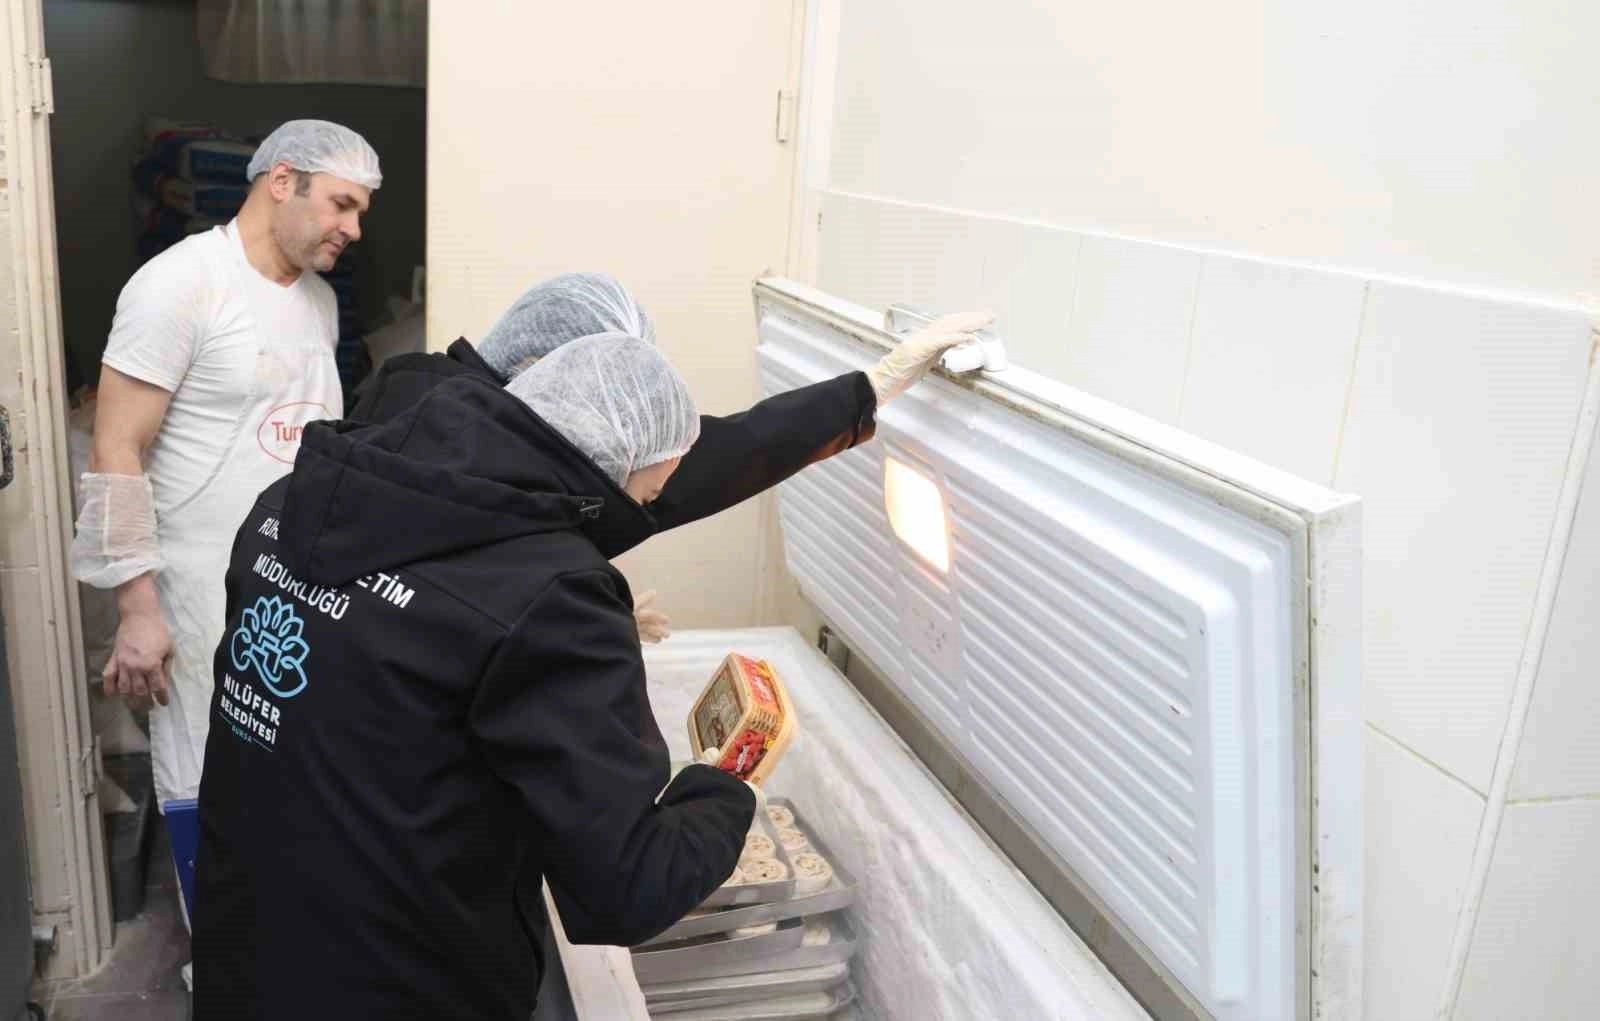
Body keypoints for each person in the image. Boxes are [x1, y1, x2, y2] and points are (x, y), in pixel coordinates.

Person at [193, 334, 755, 1020]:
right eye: (648, 495)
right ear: (615, 470)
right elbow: (626, 886)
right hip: (403, 985)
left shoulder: (289, 504)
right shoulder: (552, 595)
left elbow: (380, 677)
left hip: (246, 949)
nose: (641, 512)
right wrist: (724, 787)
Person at [67, 119, 382, 893]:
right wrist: (137, 609)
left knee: (293, 787)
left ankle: (286, 945)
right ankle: (217, 952)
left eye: (360, 211)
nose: (353, 228)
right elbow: (115, 450)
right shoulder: (180, 284)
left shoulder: (318, 300)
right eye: (342, 204)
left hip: (294, 592)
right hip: (199, 597)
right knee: (207, 785)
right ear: (281, 181)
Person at [349, 272, 990, 637]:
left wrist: (870, 388)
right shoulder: (438, 435)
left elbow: (718, 456)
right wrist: (562, 631)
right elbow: (443, 609)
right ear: (542, 366)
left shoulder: (457, 408)